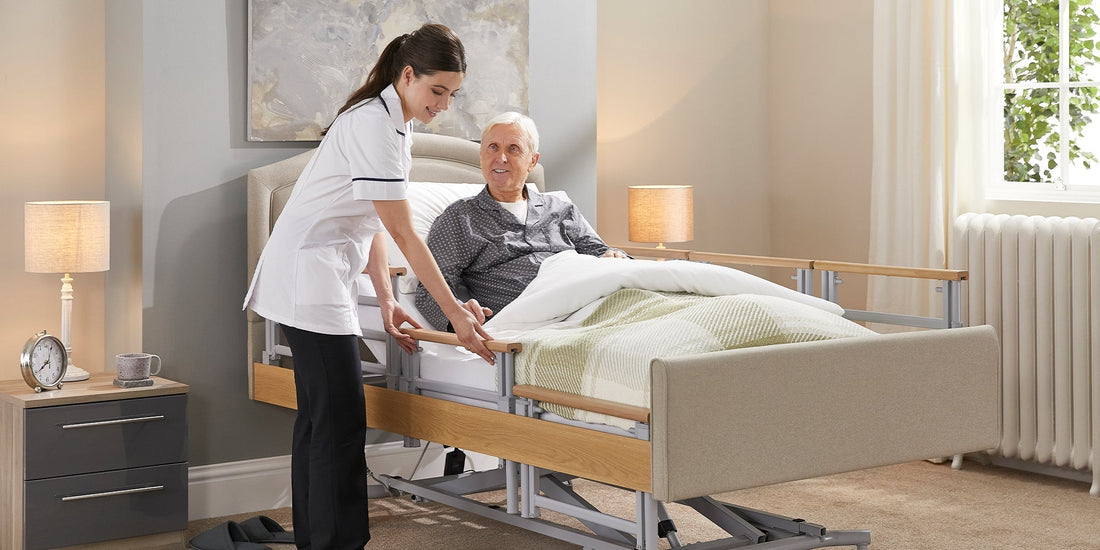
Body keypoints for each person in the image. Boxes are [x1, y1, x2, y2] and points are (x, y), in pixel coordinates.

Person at [242, 24, 493, 550]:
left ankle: (319, 539)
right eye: (437, 91)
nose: (444, 105)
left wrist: (385, 300)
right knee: (338, 422)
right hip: (307, 276)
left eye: (452, 94)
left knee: (319, 420)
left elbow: (372, 222)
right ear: (408, 76)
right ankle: (339, 543)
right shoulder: (373, 126)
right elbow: (404, 230)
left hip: (320, 272)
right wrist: (456, 314)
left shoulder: (392, 123)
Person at [414, 112, 628, 331]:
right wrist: (459, 316)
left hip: (594, 301)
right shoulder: (461, 218)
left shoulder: (561, 210)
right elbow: (430, 289)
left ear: (532, 161)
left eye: (513, 149)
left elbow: (602, 253)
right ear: (481, 155)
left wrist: (614, 255)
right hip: (540, 322)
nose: (501, 158)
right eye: (493, 147)